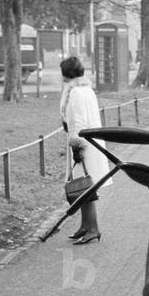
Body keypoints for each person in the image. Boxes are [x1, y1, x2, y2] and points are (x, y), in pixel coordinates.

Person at [60, 56, 109, 244]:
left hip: (84, 145)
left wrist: (76, 146)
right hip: (91, 142)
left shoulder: (75, 93)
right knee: (84, 187)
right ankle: (85, 225)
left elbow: (78, 122)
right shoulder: (86, 89)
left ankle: (93, 228)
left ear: (67, 73)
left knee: (85, 189)